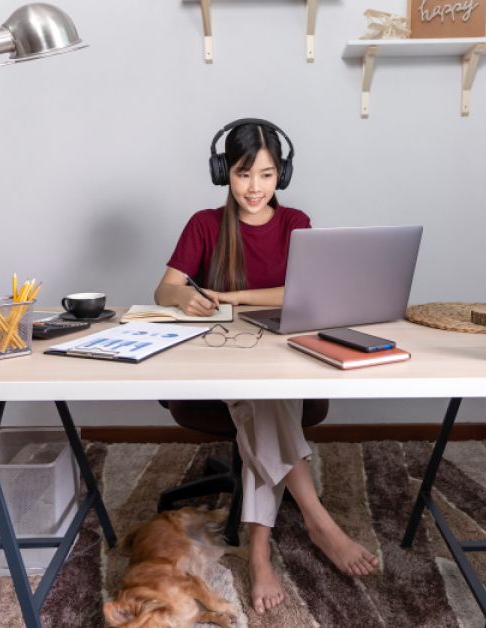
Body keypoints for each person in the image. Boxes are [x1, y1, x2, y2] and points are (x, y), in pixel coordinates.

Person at [153, 120, 379, 614]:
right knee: (261, 396)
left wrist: (229, 295)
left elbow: (301, 292)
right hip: (221, 362)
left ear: (283, 175)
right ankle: (314, 521)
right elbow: (163, 291)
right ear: (223, 173)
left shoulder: (296, 222)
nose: (255, 188)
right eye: (242, 174)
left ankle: (259, 554)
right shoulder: (204, 224)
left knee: (264, 399)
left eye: (267, 174)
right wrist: (184, 295)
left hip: (285, 358)